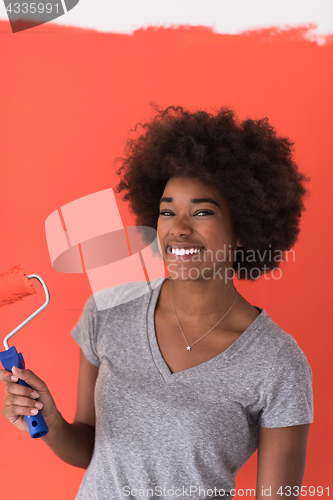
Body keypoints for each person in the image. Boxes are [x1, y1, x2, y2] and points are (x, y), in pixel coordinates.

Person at [1, 106, 313, 500]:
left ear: (242, 231)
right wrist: (52, 423)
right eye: (167, 212)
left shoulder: (277, 363)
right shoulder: (108, 312)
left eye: (201, 212)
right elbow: (92, 449)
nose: (179, 229)